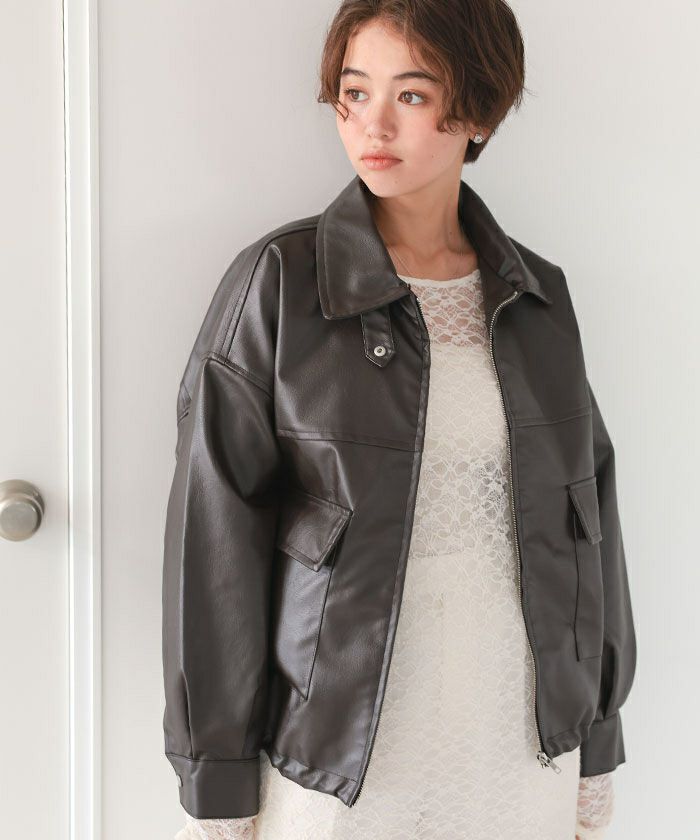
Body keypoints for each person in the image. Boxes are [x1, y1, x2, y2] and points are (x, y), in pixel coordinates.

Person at [163, 2, 636, 839]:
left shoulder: (537, 299)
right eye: (355, 92)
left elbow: (590, 524)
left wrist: (596, 741)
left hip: (520, 738)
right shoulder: (280, 283)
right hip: (344, 755)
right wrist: (219, 778)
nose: (372, 125)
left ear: (479, 110)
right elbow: (215, 545)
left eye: (411, 96)